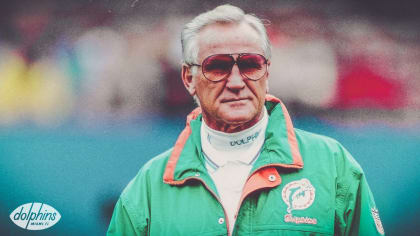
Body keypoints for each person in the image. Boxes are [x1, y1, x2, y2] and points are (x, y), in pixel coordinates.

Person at [107, 4, 384, 236]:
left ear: (267, 72)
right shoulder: (148, 187)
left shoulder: (334, 167)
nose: (237, 82)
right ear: (188, 79)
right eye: (217, 66)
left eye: (251, 64)